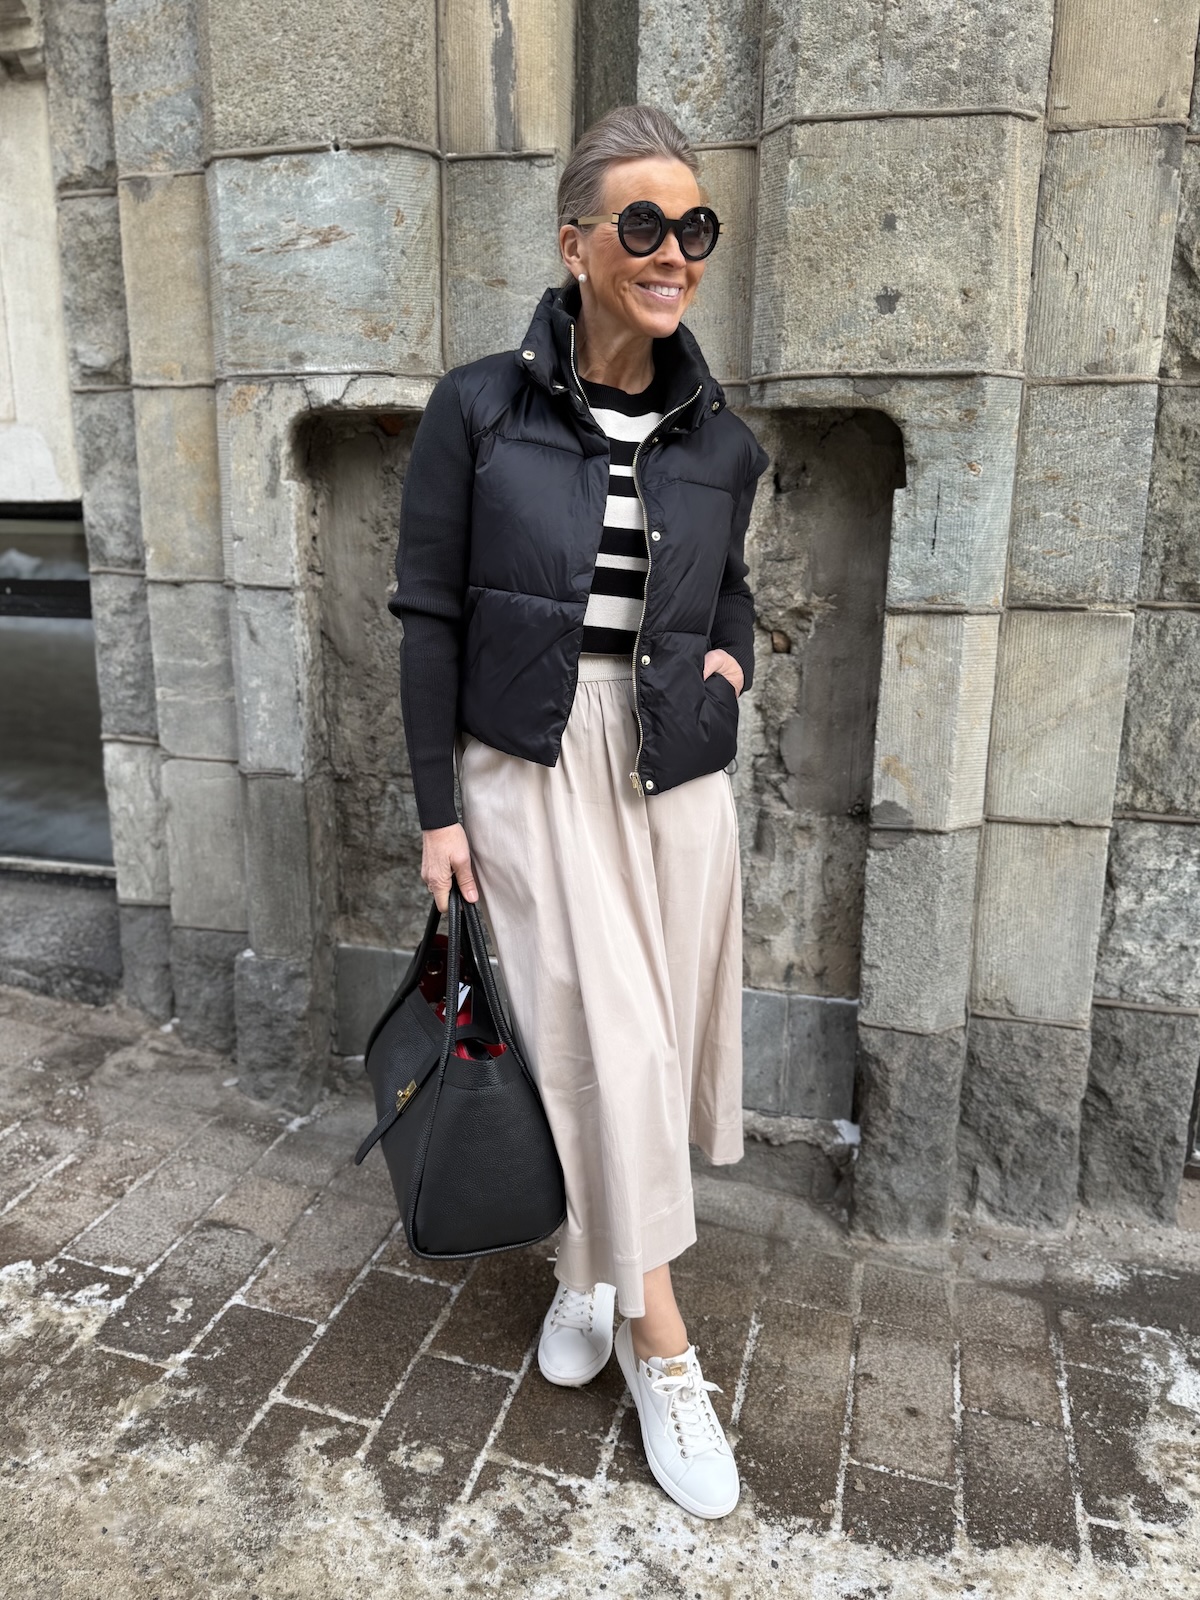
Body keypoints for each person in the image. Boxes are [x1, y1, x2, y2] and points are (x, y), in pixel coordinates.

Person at [390, 103, 769, 1520]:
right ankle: (665, 1349)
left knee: (646, 1050)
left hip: (673, 772)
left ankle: (588, 1271)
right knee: (599, 1042)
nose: (674, 252)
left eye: (694, 227)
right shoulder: (478, 407)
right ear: (576, 244)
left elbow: (729, 586)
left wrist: (732, 664)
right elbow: (428, 613)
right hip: (532, 767)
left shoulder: (721, 438)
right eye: (644, 224)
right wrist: (437, 810)